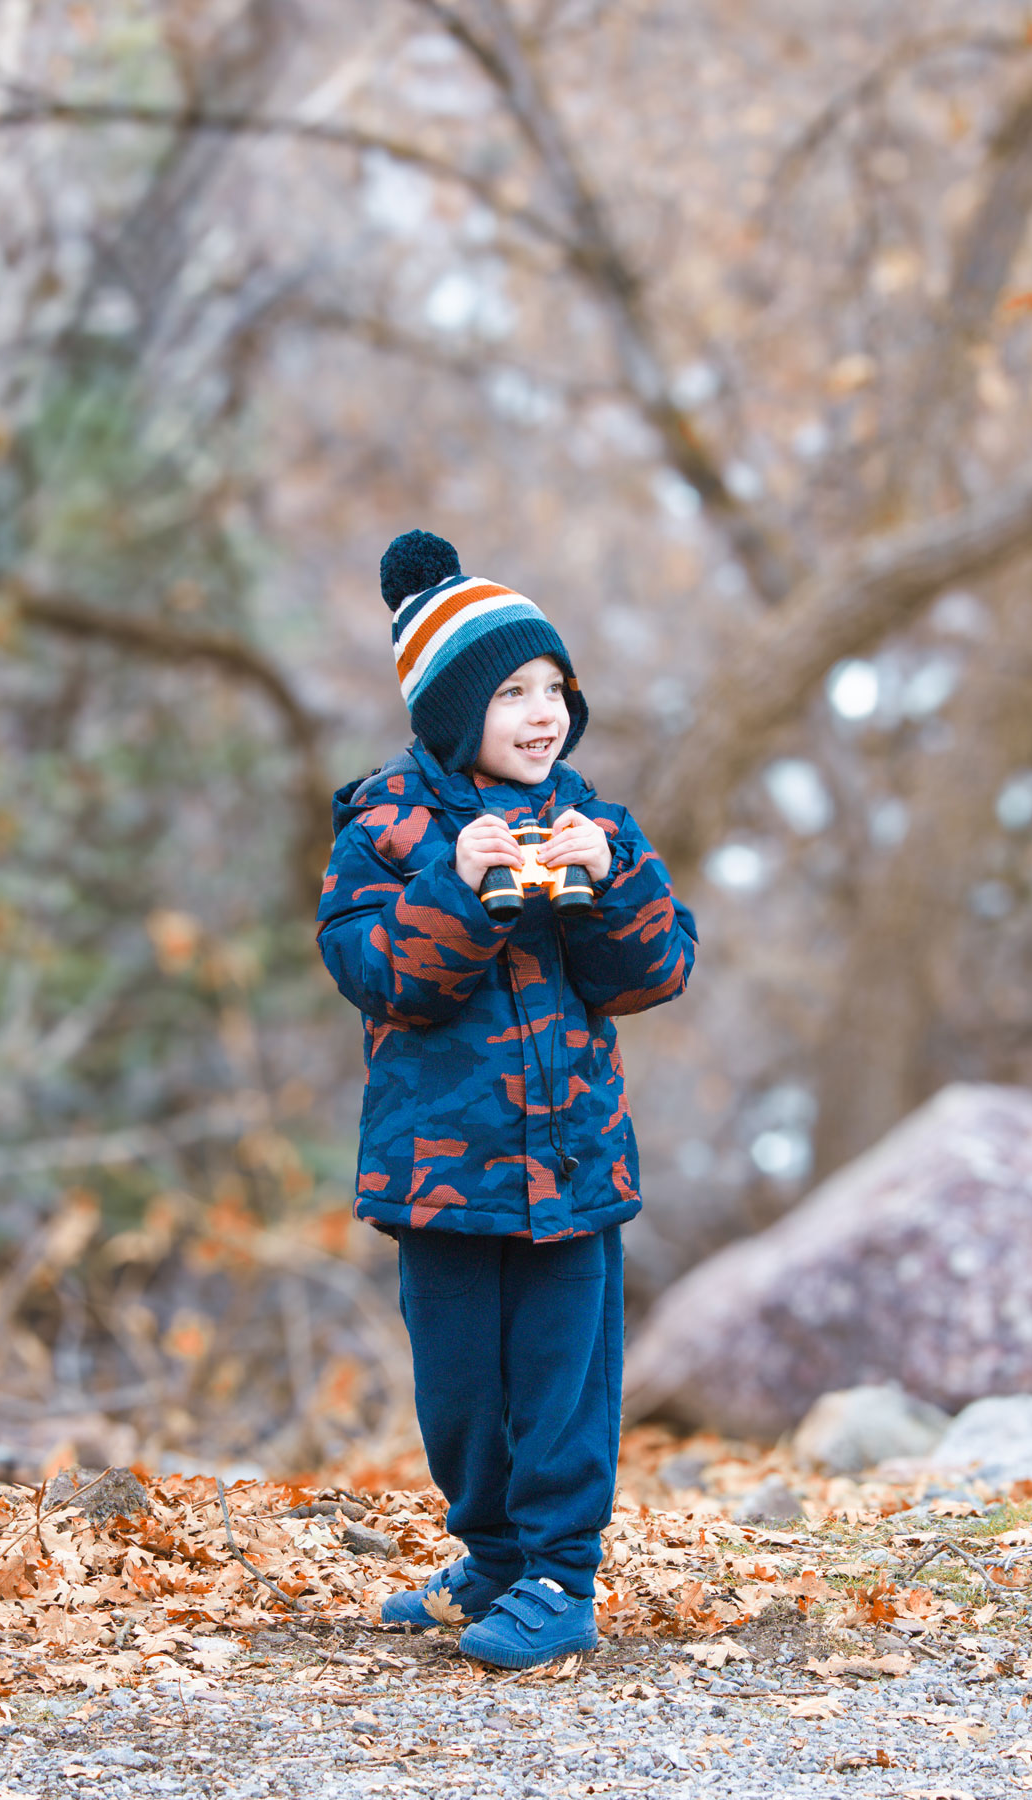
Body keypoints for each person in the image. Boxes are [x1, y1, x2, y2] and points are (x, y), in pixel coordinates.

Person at [316, 529, 697, 1668]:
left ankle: (560, 1578)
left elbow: (655, 971)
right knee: (463, 1394)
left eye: (555, 690)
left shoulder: (598, 825)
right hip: (439, 1176)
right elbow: (381, 977)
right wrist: (461, 887)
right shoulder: (384, 834)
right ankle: (490, 1555)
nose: (543, 713)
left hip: (574, 1169)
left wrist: (610, 881)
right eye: (512, 692)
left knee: (564, 1383)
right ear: (448, 711)